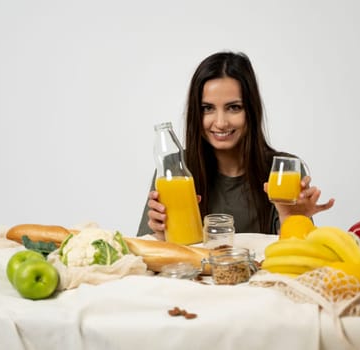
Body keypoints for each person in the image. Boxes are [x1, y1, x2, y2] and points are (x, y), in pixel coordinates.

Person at [137, 51, 334, 238]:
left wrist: (291, 219)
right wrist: (161, 236)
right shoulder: (176, 170)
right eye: (207, 108)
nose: (221, 122)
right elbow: (142, 257)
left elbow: (296, 259)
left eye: (234, 108)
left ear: (251, 111)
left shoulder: (282, 171)